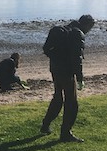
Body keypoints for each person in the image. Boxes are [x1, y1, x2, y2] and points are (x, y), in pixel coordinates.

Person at [41, 14, 95, 143]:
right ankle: (66, 133)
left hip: (55, 68)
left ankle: (45, 125)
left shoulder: (65, 30)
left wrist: (57, 61)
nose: (90, 30)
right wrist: (80, 78)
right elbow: (77, 59)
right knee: (71, 102)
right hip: (66, 72)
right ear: (86, 24)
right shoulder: (77, 34)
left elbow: (47, 49)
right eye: (90, 27)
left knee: (58, 97)